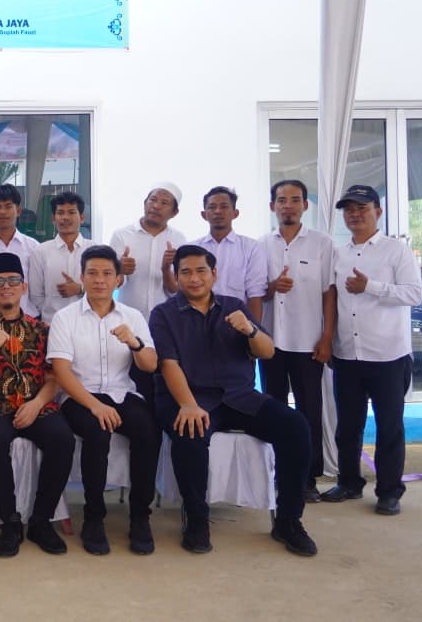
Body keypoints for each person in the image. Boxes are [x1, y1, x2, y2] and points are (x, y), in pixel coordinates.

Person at [149, 244, 317, 556]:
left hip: (239, 398)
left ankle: (288, 520)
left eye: (201, 271)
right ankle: (197, 518)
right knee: (190, 431)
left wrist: (250, 330)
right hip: (188, 397)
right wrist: (187, 404)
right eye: (185, 272)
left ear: (214, 274)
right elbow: (168, 364)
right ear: (176, 277)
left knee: (296, 427)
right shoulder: (163, 314)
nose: (194, 278)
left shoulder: (234, 307)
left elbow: (267, 352)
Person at [49, 245, 160, 556]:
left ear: (118, 279)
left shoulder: (133, 317)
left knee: (147, 431)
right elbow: (61, 371)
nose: (100, 280)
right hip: (79, 396)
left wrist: (135, 343)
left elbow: (150, 365)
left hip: (122, 392)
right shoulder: (65, 317)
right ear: (82, 277)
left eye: (107, 273)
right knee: (97, 432)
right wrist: (95, 405)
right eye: (93, 273)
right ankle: (94, 517)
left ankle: (140, 516)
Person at [321, 185, 422, 516]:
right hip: (348, 354)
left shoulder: (396, 251)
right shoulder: (339, 253)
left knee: (390, 426)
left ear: (377, 212)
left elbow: (413, 294)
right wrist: (329, 340)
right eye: (348, 208)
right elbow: (332, 297)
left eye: (362, 207)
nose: (354, 213)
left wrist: (371, 287)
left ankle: (389, 491)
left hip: (388, 355)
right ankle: (349, 482)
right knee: (348, 425)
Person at [0, 253, 73, 557]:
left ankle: (41, 520)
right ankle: (10, 521)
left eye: (13, 281)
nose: (7, 287)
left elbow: (54, 377)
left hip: (34, 402)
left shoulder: (43, 329)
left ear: (24, 287)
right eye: (0, 282)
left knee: (62, 438)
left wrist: (37, 404)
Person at [258, 179, 334, 502]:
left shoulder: (322, 243)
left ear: (305, 205)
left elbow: (329, 293)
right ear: (272, 206)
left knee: (309, 412)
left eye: (294, 199)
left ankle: (307, 478)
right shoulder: (261, 245)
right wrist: (273, 286)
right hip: (271, 342)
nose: (287, 205)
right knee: (274, 411)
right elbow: (256, 293)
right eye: (281, 200)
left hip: (308, 342)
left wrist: (327, 336)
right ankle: (276, 475)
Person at [109, 182, 187, 321]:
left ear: (175, 212)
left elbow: (174, 290)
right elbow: (113, 284)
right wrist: (119, 269)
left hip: (165, 319)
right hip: (127, 318)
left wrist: (166, 269)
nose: (156, 206)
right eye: (153, 200)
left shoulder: (179, 239)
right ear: (145, 203)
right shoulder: (121, 235)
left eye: (164, 203)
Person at [191, 186, 268, 323]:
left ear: (235, 213)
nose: (218, 211)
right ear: (204, 215)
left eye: (224, 206)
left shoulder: (251, 247)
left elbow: (255, 294)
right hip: (198, 321)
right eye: (212, 207)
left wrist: (254, 333)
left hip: (237, 322)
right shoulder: (193, 248)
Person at [29, 191, 95, 324]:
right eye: (60, 213)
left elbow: (105, 287)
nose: (65, 217)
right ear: (53, 218)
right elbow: (36, 295)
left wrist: (80, 289)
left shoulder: (94, 249)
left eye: (71, 212)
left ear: (82, 218)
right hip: (52, 325)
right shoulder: (41, 251)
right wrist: (51, 316)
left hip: (89, 323)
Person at [0, 183, 40, 317]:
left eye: (8, 207)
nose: (3, 212)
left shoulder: (33, 247)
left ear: (19, 210)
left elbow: (37, 291)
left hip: (27, 321)